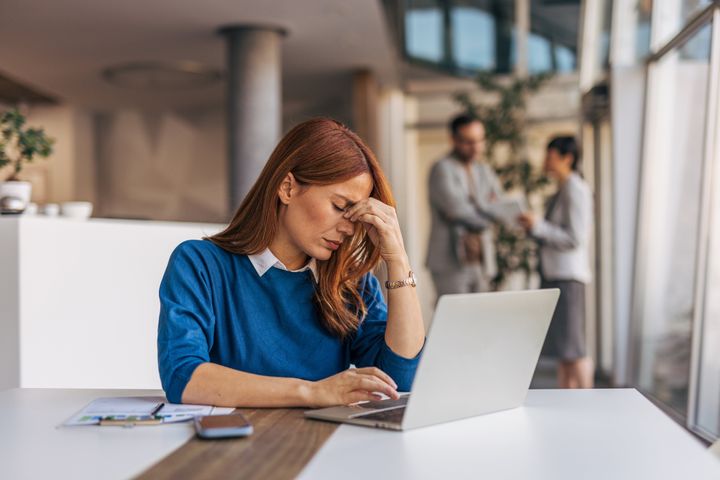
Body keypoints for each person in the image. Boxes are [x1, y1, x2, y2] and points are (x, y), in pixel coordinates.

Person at [157, 118, 425, 408]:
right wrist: (311, 392)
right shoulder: (200, 265)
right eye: (339, 207)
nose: (349, 228)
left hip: (324, 446)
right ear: (287, 188)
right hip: (231, 446)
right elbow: (183, 377)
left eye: (356, 215)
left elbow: (400, 379)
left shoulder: (352, 284)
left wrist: (398, 259)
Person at [518, 136, 594, 389]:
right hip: (557, 275)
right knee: (566, 349)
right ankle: (570, 398)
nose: (545, 161)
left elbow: (575, 237)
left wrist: (539, 226)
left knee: (574, 349)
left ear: (567, 159)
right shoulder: (563, 189)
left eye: (550, 156)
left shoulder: (576, 189)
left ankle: (587, 399)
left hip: (568, 277)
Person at [426, 114, 504, 298]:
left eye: (479, 140)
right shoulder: (441, 168)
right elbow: (456, 209)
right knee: (453, 318)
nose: (475, 147)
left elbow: (499, 206)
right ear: (453, 139)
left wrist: (480, 208)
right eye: (468, 141)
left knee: (480, 318)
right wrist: (487, 208)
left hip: (481, 259)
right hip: (449, 261)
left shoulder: (484, 170)